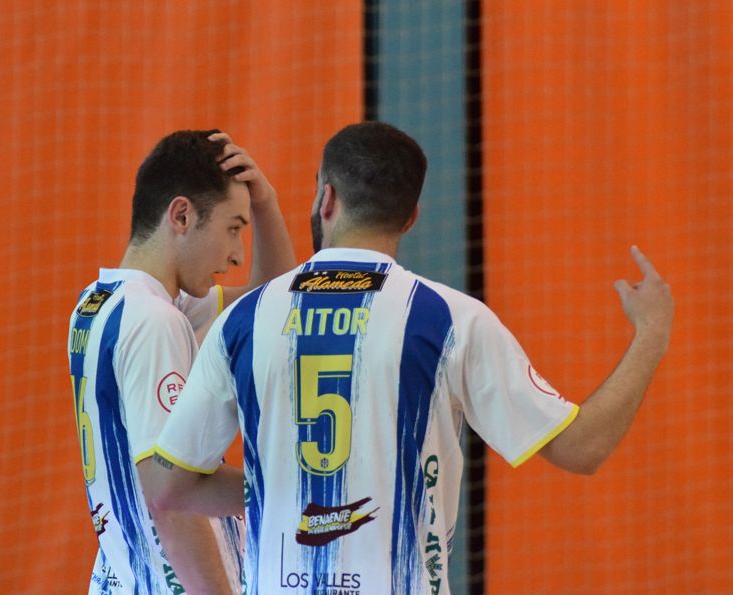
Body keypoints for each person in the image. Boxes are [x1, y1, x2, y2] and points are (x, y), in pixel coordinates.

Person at [143, 122, 675, 594]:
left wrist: (279, 491)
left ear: (326, 199)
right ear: (412, 217)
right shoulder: (450, 319)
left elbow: (167, 487)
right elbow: (582, 449)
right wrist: (651, 331)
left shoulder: (245, 319)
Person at [66, 129, 296, 594]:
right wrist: (287, 487)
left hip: (123, 574)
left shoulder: (100, 302)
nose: (236, 254)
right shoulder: (155, 322)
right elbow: (169, 498)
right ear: (183, 215)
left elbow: (268, 297)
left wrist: (265, 203)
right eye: (233, 228)